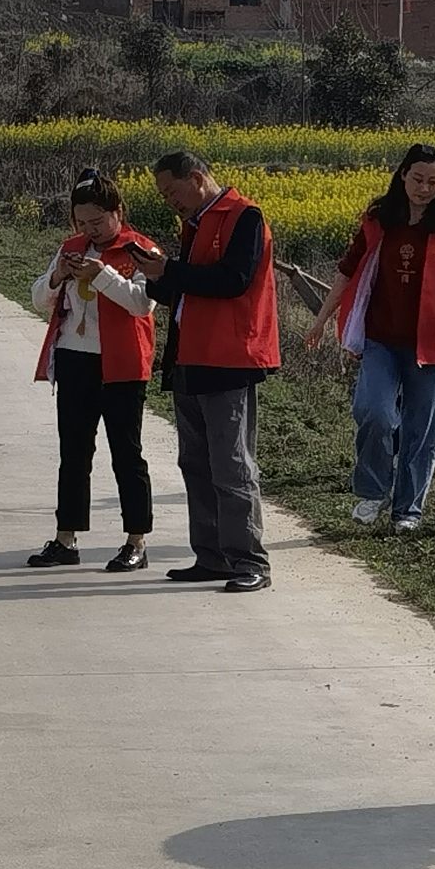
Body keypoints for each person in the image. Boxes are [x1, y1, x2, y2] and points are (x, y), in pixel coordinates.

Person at [322, 144, 435, 534]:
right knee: (373, 412)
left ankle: (407, 510)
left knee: (421, 430)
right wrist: (321, 319)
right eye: (417, 179)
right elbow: (348, 270)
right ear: (402, 176)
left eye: (433, 181)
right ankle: (373, 490)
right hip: (382, 338)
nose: (424, 188)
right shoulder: (379, 219)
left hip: (432, 342)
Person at [144, 148, 278, 590]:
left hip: (228, 358)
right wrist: (155, 277)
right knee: (195, 463)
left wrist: (172, 271)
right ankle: (212, 555)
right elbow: (183, 291)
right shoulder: (195, 224)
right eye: (164, 196)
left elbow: (232, 281)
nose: (171, 201)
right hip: (190, 355)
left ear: (198, 177)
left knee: (231, 464)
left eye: (173, 191)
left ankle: (249, 562)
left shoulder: (245, 217)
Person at [24, 170, 162, 570]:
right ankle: (65, 538)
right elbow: (39, 300)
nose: (90, 230)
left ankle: (136, 539)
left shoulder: (140, 250)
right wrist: (58, 276)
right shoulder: (71, 248)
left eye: (97, 222)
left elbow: (141, 304)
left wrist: (100, 275)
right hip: (74, 357)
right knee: (74, 452)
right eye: (82, 222)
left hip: (121, 364)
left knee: (127, 453)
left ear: (117, 213)